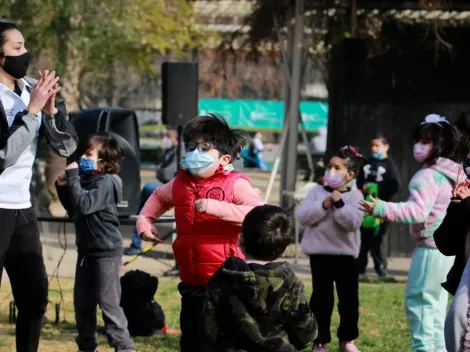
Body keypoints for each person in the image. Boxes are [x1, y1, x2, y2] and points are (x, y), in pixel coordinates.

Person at [136, 114, 264, 352]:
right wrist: (144, 223)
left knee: (222, 342)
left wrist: (216, 207)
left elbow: (257, 213)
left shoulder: (236, 183)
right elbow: (158, 197)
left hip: (226, 280)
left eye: (205, 148)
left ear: (225, 158)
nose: (195, 153)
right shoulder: (180, 182)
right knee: (192, 340)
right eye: (191, 147)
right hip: (191, 280)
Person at [0, 22, 77, 352]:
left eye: (25, 46)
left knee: (34, 297)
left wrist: (52, 113)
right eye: (16, 48)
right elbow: (4, 154)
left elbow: (66, 146)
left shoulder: (30, 88)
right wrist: (32, 111)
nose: (25, 54)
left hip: (22, 208)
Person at [360, 114, 464, 352]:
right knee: (436, 306)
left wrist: (380, 208)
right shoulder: (453, 174)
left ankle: (425, 348)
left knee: (419, 303)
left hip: (429, 248)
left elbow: (417, 211)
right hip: (447, 250)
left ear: (441, 145)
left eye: (427, 141)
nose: (420, 146)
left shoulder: (427, 177)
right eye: (420, 140)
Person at [56, 133, 135, 352]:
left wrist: (72, 178)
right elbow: (75, 211)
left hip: (106, 252)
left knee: (108, 303)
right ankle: (87, 346)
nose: (83, 157)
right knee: (83, 304)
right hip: (86, 252)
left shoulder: (106, 182)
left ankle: (124, 347)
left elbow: (84, 206)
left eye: (89, 154)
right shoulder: (88, 181)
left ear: (104, 161)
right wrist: (63, 187)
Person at [201, 204, 317, 351]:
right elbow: (305, 334)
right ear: (285, 249)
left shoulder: (223, 278)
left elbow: (208, 330)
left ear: (240, 240)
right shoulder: (291, 282)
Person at [297, 145, 364, 352]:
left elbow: (352, 223)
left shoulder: (356, 196)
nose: (331, 172)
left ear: (350, 174)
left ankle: (347, 340)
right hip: (320, 255)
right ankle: (320, 341)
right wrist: (324, 205)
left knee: (349, 300)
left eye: (337, 168)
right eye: (329, 167)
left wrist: (339, 203)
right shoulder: (315, 192)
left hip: (345, 257)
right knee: (321, 300)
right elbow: (303, 217)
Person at [356, 134, 401, 277]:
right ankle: (360, 267)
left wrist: (378, 189)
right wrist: (364, 187)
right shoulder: (367, 163)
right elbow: (358, 181)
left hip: (382, 207)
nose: (374, 148)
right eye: (372, 145)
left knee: (379, 238)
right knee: (363, 238)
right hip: (365, 207)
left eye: (377, 145)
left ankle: (380, 267)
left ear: (386, 147)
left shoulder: (390, 165)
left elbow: (395, 185)